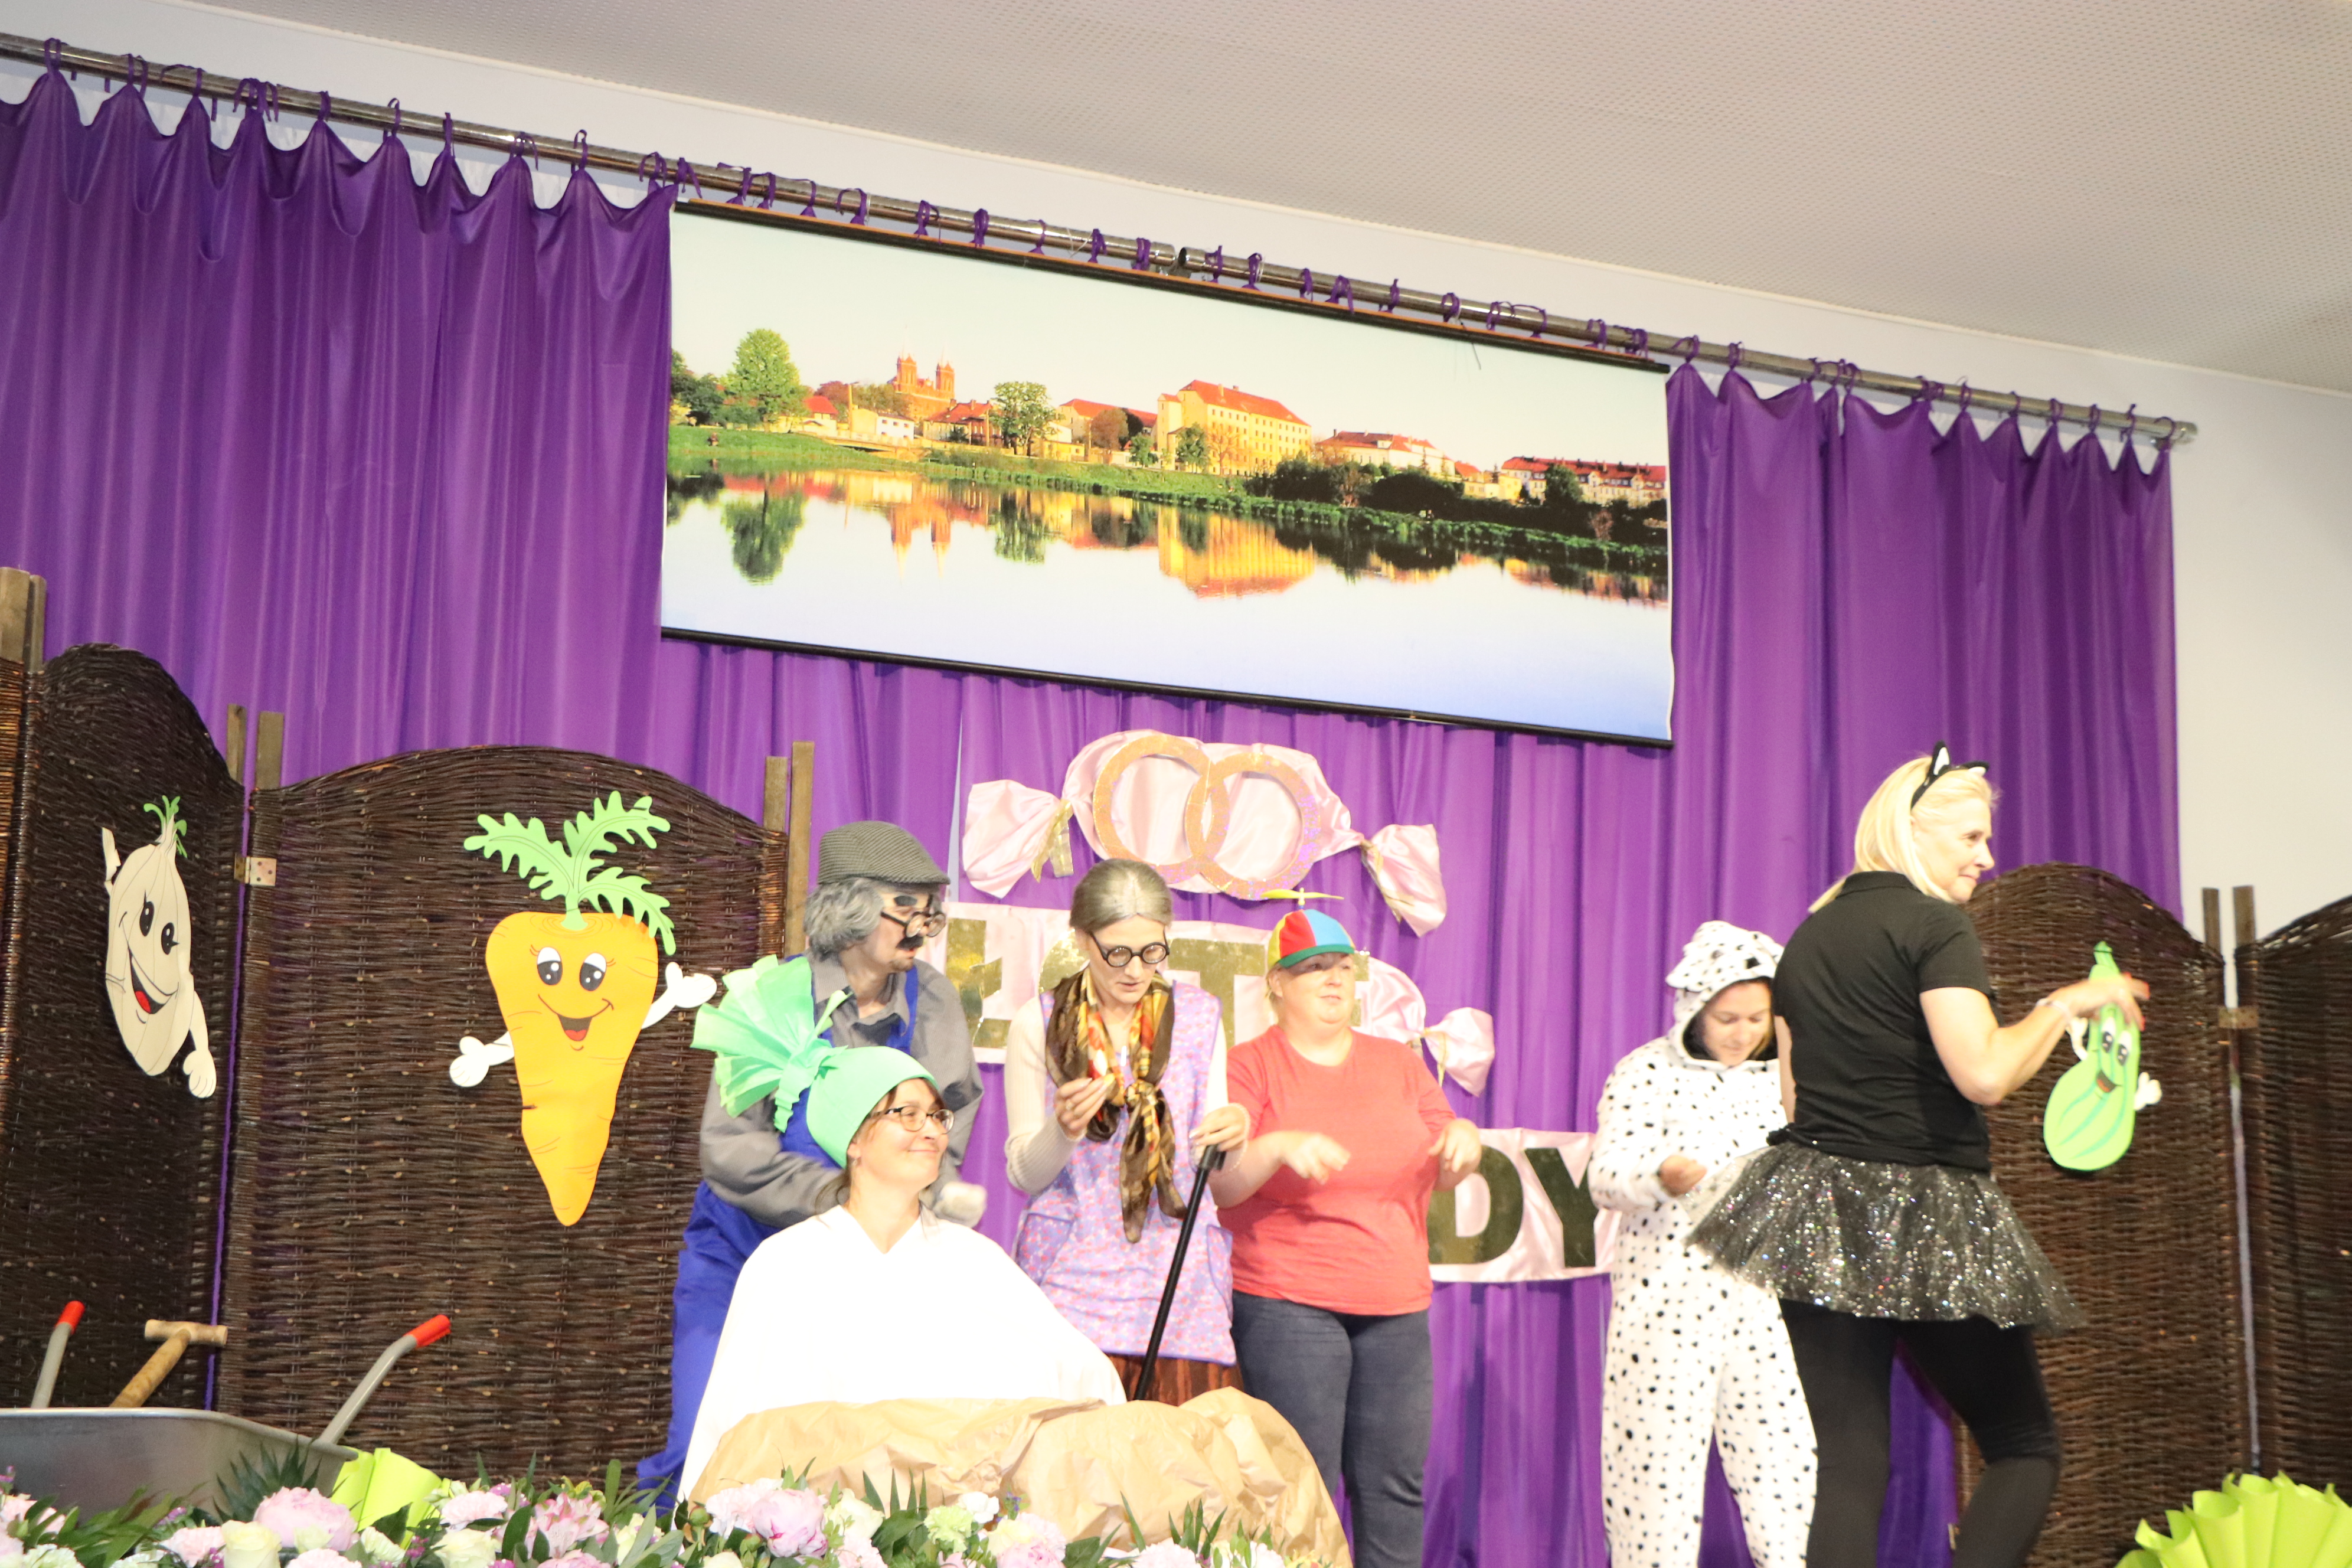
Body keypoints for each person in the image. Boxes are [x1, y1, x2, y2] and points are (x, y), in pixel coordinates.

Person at [1690, 747, 2150, 1568]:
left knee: (1850, 1463)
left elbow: (1795, 1102)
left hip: (1817, 1210)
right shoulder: (1937, 927)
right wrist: (2065, 1004)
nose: (1986, 857)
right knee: (2023, 1445)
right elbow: (1986, 1075)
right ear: (1912, 833)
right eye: (1971, 838)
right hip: (1929, 1210)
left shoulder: (1808, 940)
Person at [643, 821, 984, 1492]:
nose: (922, 927)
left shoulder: (934, 1000)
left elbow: (948, 1118)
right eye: (905, 906)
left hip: (865, 1280)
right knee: (706, 1449)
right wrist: (839, 1197)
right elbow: (730, 1149)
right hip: (742, 1263)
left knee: (849, 1467)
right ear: (850, 909)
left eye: (930, 909)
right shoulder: (771, 998)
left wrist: (928, 1189)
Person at [681, 1046, 1123, 1499]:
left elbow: (1084, 1376)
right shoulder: (786, 1264)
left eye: (937, 1116)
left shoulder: (976, 1260)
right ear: (854, 1140)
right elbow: (733, 1427)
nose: (930, 1130)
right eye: (907, 1114)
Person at [1209, 909, 1482, 1568]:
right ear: (1276, 984)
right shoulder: (1249, 1066)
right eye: (1312, 969)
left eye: (1341, 966)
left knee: (1394, 1487)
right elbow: (1223, 1188)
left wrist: (1464, 1141)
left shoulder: (1399, 1063)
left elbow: (1445, 1166)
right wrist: (1278, 1146)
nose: (1333, 979)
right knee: (1301, 1489)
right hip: (1288, 1302)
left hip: (1395, 1302)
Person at [1589, 921, 1815, 1568]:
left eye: (1756, 1019)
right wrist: (1658, 1176)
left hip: (1768, 1306)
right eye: (1727, 1018)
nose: (1742, 1033)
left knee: (1786, 1471)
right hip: (1667, 1305)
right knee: (1653, 1475)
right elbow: (1605, 1176)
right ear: (1694, 1008)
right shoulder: (1646, 1072)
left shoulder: (1788, 1081)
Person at [1004, 859, 1252, 1399]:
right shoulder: (1039, 1022)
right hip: (1071, 1283)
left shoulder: (1199, 1017)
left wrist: (1234, 1136)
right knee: (1074, 1448)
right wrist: (1063, 1130)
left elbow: (1212, 1159)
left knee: (1181, 1448)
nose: (1136, 971)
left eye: (1153, 951)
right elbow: (1024, 1173)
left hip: (1179, 1283)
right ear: (1081, 938)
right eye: (1117, 953)